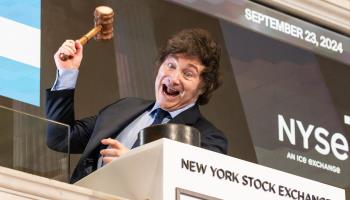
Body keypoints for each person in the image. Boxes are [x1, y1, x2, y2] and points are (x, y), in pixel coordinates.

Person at [46, 28, 228, 183]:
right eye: (170, 65)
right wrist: (66, 73)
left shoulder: (208, 138)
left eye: (188, 74)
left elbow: (196, 186)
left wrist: (133, 163)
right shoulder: (125, 107)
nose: (174, 78)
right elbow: (61, 139)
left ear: (204, 86)